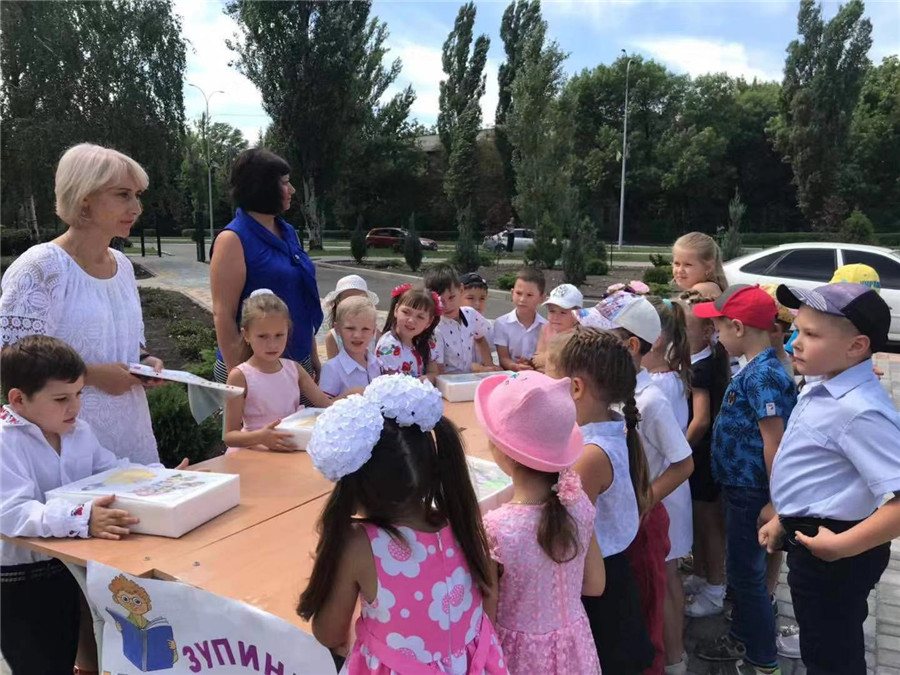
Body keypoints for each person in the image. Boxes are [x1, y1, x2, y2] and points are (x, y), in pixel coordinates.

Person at [298, 375, 507, 674]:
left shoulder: (358, 544)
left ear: (357, 488)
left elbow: (329, 634)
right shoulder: (460, 521)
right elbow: (487, 601)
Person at [758, 283, 900, 675]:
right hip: (817, 537)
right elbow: (822, 476)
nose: (793, 344)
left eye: (810, 334)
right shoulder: (824, 383)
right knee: (821, 639)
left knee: (832, 655)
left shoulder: (859, 411)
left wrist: (839, 547)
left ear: (856, 346)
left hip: (837, 550)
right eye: (795, 330)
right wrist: (785, 517)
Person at [0, 143, 164, 466]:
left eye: (136, 195)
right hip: (64, 447)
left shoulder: (122, 266)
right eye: (123, 195)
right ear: (84, 198)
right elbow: (12, 360)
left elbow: (126, 341)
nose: (136, 208)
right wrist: (91, 376)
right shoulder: (42, 267)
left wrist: (146, 361)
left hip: (132, 434)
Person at [0, 336, 142, 673]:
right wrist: (82, 518)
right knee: (41, 665)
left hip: (70, 567)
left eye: (79, 394)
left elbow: (110, 471)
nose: (75, 407)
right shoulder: (5, 442)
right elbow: (11, 513)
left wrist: (161, 480)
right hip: (19, 580)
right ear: (18, 399)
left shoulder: (79, 432)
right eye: (62, 398)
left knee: (78, 648)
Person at [692, 285, 797, 674]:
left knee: (747, 576)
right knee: (741, 572)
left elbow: (775, 443)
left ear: (737, 327)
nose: (716, 336)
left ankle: (762, 659)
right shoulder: (753, 369)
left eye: (719, 328)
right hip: (741, 488)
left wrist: (774, 501)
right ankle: (742, 634)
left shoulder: (763, 377)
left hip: (753, 493)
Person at [474, 371, 604, 675]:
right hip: (575, 651)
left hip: (518, 659)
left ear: (501, 450)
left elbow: (487, 617)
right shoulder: (578, 504)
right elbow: (595, 584)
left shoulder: (496, 528)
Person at [548, 327, 656, 674]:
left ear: (575, 388)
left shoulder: (590, 456)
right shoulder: (608, 427)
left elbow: (562, 525)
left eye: (551, 384)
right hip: (610, 574)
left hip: (601, 586)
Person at [608, 294, 694, 675]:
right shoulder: (613, 390)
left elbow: (683, 462)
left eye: (604, 339)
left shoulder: (652, 400)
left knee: (655, 593)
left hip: (646, 518)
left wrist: (644, 499)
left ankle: (671, 661)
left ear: (631, 345)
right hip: (624, 518)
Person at [210, 149, 323, 391]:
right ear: (262, 187)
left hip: (296, 362)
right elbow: (223, 315)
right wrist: (240, 381)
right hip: (253, 370)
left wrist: (312, 353)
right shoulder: (232, 239)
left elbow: (300, 297)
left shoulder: (288, 231)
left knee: (302, 418)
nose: (292, 190)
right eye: (284, 183)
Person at [642, 297, 694, 673]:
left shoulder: (657, 388)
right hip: (666, 490)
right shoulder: (671, 377)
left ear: (654, 340)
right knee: (667, 577)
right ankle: (674, 655)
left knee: (664, 580)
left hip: (663, 490)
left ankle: (674, 657)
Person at [223, 290, 334, 452]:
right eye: (263, 336)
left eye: (279, 335)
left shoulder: (294, 369)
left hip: (290, 449)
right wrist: (261, 437)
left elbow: (327, 405)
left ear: (288, 331)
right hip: (254, 452)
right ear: (246, 335)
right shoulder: (240, 376)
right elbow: (229, 436)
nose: (272, 344)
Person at [678, 291, 730, 619]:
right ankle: (699, 573)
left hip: (701, 456)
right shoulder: (702, 360)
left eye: (684, 328)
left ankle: (715, 586)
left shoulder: (703, 367)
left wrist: (679, 451)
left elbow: (701, 419)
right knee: (698, 520)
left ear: (707, 330)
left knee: (708, 522)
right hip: (698, 455)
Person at [424, 264, 495, 374]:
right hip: (448, 380)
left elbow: (480, 339)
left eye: (451, 297)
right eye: (440, 301)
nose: (447, 306)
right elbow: (439, 371)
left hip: (468, 377)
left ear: (461, 290)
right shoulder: (435, 328)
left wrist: (490, 367)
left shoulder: (471, 314)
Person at [375, 284, 441, 382]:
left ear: (429, 322)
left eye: (420, 317)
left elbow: (434, 372)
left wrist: (424, 379)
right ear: (396, 310)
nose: (411, 320)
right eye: (406, 312)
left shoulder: (427, 342)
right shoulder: (388, 346)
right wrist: (421, 383)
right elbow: (394, 384)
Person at [319, 296, 381, 397]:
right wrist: (349, 395)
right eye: (350, 328)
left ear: (373, 331)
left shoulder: (378, 364)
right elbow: (325, 404)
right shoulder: (332, 369)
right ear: (337, 329)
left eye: (365, 329)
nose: (357, 335)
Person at [494, 268, 547, 372]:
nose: (522, 299)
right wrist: (514, 366)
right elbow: (503, 358)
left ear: (542, 298)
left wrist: (533, 364)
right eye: (518, 293)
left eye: (529, 295)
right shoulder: (502, 323)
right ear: (512, 293)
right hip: (510, 375)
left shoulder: (546, 327)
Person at [322, 275, 380, 360]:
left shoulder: (375, 334)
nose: (354, 304)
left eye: (359, 299)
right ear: (338, 303)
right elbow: (333, 364)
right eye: (348, 299)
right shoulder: (333, 337)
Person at [532, 284, 583, 373]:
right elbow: (537, 360)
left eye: (563, 312)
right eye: (552, 311)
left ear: (577, 314)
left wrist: (547, 359)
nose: (555, 317)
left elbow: (571, 364)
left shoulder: (580, 334)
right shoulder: (546, 328)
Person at [672, 232, 728, 299]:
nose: (680, 270)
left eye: (688, 265)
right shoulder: (712, 287)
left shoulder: (702, 289)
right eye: (677, 264)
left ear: (708, 267)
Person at [460, 273, 494, 367]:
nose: (477, 303)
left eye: (482, 298)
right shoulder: (452, 327)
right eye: (470, 298)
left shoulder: (488, 327)